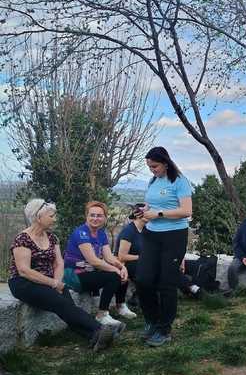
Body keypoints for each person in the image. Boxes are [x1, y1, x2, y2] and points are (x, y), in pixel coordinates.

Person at [9, 199, 114, 351]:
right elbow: (24, 270)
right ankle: (99, 329)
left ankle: (94, 336)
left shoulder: (52, 238)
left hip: (51, 281)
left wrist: (57, 282)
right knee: (61, 303)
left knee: (67, 307)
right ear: (38, 218)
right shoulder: (22, 239)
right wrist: (53, 284)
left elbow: (59, 263)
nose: (55, 219)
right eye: (51, 216)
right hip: (24, 282)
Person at [136, 146, 192, 347]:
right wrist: (143, 211)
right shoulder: (153, 181)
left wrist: (158, 214)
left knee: (166, 282)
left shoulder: (180, 181)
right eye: (150, 167)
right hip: (152, 234)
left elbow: (186, 211)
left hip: (174, 236)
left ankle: (164, 329)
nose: (152, 170)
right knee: (143, 278)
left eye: (155, 166)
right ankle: (152, 320)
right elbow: (150, 206)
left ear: (165, 163)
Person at [64, 201, 132, 333]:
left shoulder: (101, 233)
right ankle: (102, 315)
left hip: (89, 272)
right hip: (74, 275)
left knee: (122, 272)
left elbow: (109, 257)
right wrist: (116, 269)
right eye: (92, 215)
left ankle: (121, 305)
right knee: (114, 276)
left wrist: (121, 266)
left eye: (99, 216)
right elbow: (94, 261)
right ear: (86, 216)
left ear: (105, 218)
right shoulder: (81, 233)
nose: (95, 218)